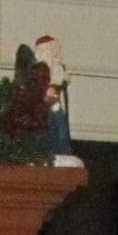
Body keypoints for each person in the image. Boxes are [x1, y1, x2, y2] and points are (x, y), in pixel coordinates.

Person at [33, 34, 84, 167]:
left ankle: (62, 151)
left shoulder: (55, 68)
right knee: (52, 127)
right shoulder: (39, 71)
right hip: (46, 106)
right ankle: (53, 150)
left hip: (54, 103)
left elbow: (59, 81)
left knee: (60, 126)